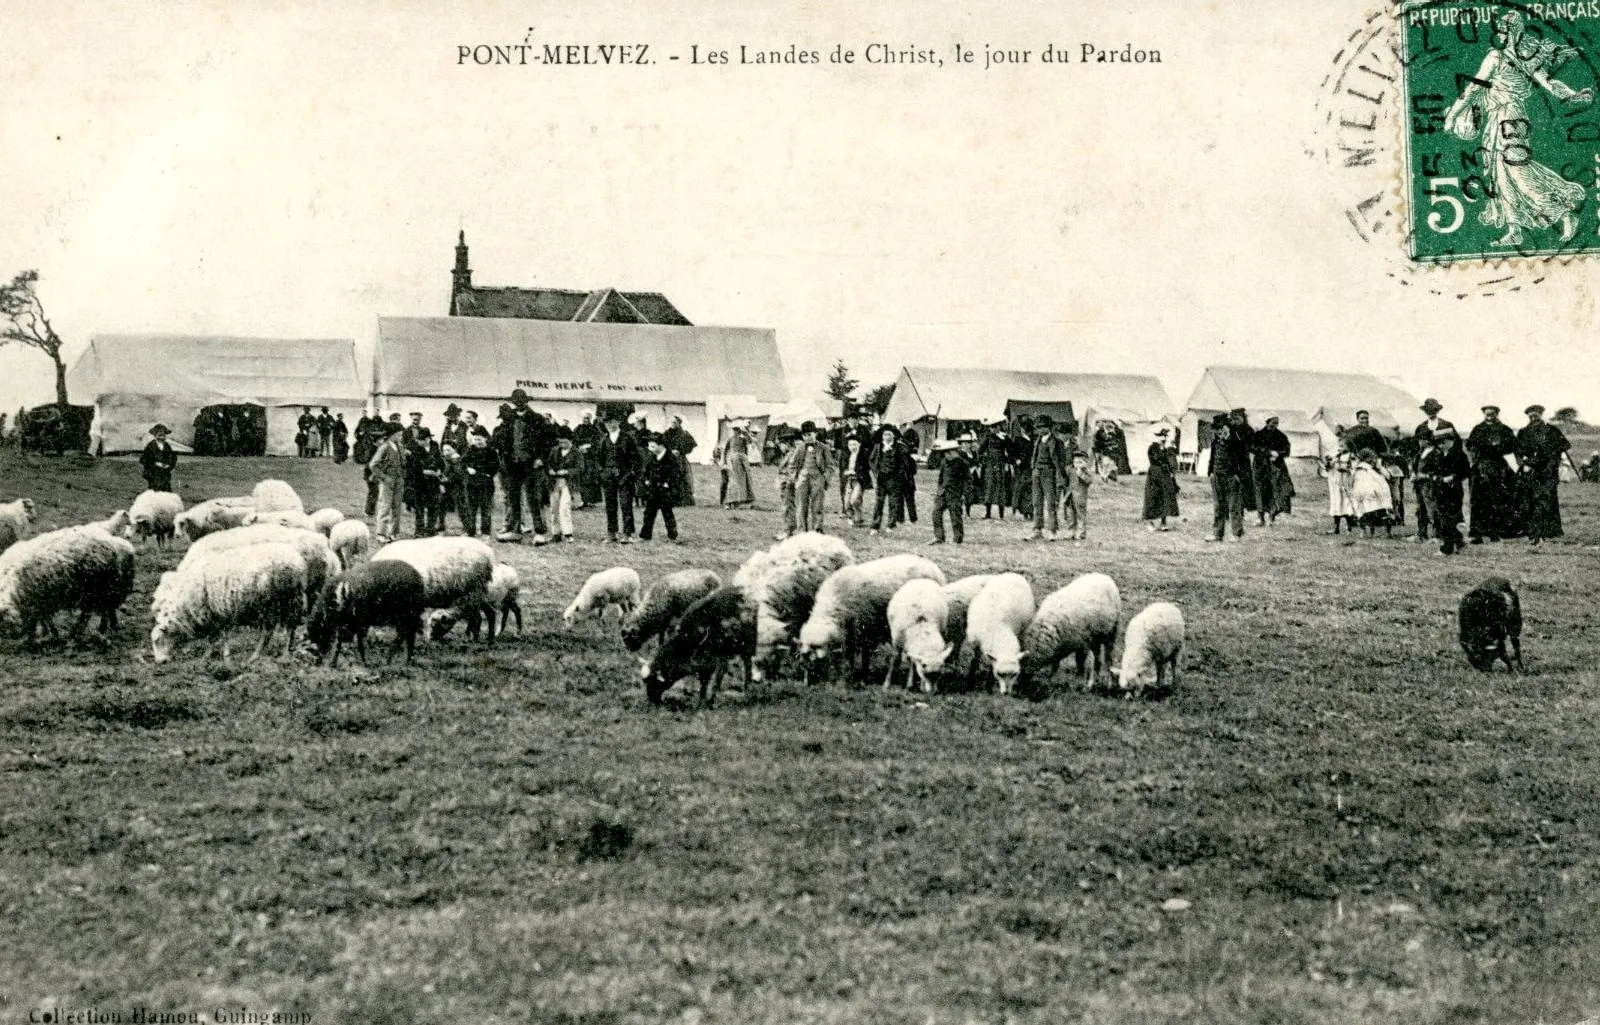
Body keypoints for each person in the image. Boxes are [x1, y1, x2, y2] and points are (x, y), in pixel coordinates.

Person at [1442, 10, 1591, 248]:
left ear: (1510, 32)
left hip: (1507, 118)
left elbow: (1472, 89)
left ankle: (1562, 213)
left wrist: (1452, 116)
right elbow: (1551, 85)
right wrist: (1573, 95)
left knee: (1518, 171)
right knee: (1500, 175)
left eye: (1505, 29)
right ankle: (1515, 229)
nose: (1502, 33)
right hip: (1505, 118)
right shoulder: (1526, 59)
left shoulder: (1497, 57)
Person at [495, 390, 553, 544]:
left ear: (527, 402)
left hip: (531, 464)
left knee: (533, 498)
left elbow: (547, 441)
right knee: (513, 498)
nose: (519, 404)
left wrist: (541, 458)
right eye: (516, 402)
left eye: (522, 401)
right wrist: (504, 456)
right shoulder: (508, 418)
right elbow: (502, 439)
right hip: (513, 464)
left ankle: (540, 532)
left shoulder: (537, 418)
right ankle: (515, 531)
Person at [1466, 404, 1521, 542]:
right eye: (1487, 414)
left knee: (1498, 499)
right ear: (1484, 414)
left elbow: (1513, 446)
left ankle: (1495, 533)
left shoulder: (1504, 430)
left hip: (1498, 466)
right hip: (1480, 467)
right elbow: (1470, 445)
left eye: (1492, 414)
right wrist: (1478, 453)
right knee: (1478, 501)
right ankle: (1477, 533)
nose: (1489, 416)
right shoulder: (1478, 429)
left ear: (1497, 414)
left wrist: (1498, 448)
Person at [1517, 404, 1570, 543]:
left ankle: (1551, 530)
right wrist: (1525, 463)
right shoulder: (1523, 432)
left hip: (1548, 471)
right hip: (1531, 471)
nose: (1533, 417)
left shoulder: (1551, 430)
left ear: (1541, 414)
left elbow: (1564, 445)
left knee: (1548, 498)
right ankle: (1532, 530)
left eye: (1536, 414)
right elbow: (1518, 450)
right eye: (1531, 415)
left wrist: (1553, 456)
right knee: (1530, 500)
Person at [1416, 426, 1469, 554]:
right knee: (1442, 517)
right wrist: (1434, 477)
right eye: (1439, 443)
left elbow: (1466, 471)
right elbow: (1430, 470)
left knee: (1448, 519)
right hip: (1439, 489)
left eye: (1443, 442)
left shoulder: (1459, 455)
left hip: (1454, 490)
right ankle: (1459, 541)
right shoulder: (1437, 455)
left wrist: (1453, 476)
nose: (1441, 445)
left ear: (1451, 440)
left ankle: (1447, 548)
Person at [1411, 399, 1454, 542]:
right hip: (1421, 478)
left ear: (1438, 410)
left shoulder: (1446, 425)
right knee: (1421, 506)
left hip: (1434, 476)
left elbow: (1452, 445)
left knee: (1434, 507)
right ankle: (1421, 533)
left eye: (1433, 409)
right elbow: (1416, 453)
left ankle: (1437, 534)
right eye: (1428, 410)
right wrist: (1414, 472)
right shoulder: (1421, 427)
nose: (1431, 412)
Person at [593, 412, 638, 543]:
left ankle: (627, 534)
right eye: (607, 423)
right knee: (610, 505)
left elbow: (635, 458)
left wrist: (631, 473)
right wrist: (602, 472)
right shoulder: (603, 439)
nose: (609, 425)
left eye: (612, 422)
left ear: (618, 422)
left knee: (625, 504)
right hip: (608, 476)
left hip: (624, 475)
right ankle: (612, 533)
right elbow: (598, 459)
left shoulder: (627, 438)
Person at [1206, 413, 1251, 542]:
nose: (1218, 432)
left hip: (1231, 477)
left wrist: (1239, 475)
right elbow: (1212, 458)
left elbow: (1243, 460)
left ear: (1226, 427)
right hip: (1217, 476)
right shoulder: (1216, 441)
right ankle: (1217, 534)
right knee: (1218, 506)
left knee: (1234, 506)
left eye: (1220, 429)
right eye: (1216, 430)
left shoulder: (1236, 441)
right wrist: (1211, 472)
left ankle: (1236, 534)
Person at [927, 434, 975, 545]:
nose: (946, 455)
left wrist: (964, 494)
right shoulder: (944, 462)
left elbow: (968, 480)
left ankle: (957, 539)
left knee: (955, 516)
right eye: (945, 453)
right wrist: (939, 490)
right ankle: (939, 537)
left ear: (954, 452)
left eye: (948, 453)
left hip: (955, 495)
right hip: (943, 493)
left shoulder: (962, 464)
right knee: (936, 513)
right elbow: (941, 477)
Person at [1027, 415, 1069, 541]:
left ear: (1048, 427)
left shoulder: (1057, 442)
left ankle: (1051, 530)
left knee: (1051, 503)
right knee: (1036, 503)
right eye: (1038, 427)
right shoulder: (1037, 440)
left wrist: (1060, 476)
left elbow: (1061, 461)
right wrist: (1034, 469)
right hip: (1037, 473)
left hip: (1049, 474)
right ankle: (1037, 530)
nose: (1039, 430)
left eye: (1041, 427)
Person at [788, 421, 834, 533]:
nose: (807, 437)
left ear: (815, 434)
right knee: (801, 506)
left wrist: (825, 477)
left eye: (810, 434)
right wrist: (795, 477)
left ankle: (817, 529)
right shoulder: (800, 448)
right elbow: (792, 464)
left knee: (817, 505)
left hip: (818, 478)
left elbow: (830, 465)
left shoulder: (823, 448)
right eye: (805, 435)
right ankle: (801, 530)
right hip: (802, 479)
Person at [367, 424, 407, 542]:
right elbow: (373, 465)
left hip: (399, 480)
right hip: (387, 481)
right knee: (385, 506)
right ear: (391, 435)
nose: (400, 436)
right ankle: (381, 533)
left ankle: (393, 532)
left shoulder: (400, 446)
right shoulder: (384, 447)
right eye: (398, 434)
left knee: (397, 507)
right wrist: (384, 477)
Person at [1252, 415, 1294, 524]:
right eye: (1272, 422)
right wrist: (1267, 452)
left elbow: (1287, 451)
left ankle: (1272, 516)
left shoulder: (1281, 436)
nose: (1274, 425)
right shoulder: (1258, 435)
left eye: (1276, 423)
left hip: (1276, 467)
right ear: (1267, 422)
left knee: (1276, 491)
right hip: (1260, 466)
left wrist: (1278, 454)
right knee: (1260, 491)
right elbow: (1252, 447)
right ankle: (1260, 518)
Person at [638, 436, 680, 542]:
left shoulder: (670, 457)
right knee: (648, 513)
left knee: (667, 513)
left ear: (661, 445)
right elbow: (646, 470)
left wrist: (668, 483)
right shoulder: (652, 457)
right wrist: (646, 480)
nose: (650, 448)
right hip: (653, 489)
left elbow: (676, 473)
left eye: (653, 446)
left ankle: (672, 536)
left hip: (665, 491)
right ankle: (645, 536)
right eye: (649, 446)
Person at [869, 425, 905, 535]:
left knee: (893, 502)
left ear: (894, 436)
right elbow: (872, 461)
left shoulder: (900, 448)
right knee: (879, 502)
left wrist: (898, 477)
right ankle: (875, 526)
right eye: (885, 434)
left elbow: (904, 464)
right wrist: (877, 474)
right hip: (881, 479)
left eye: (889, 434)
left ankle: (891, 525)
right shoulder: (878, 447)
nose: (887, 437)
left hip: (894, 480)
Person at [461, 428, 497, 537]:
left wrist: (487, 474)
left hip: (486, 484)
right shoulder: (470, 449)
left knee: (485, 508)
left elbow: (495, 466)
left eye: (479, 439)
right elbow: (462, 462)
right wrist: (468, 469)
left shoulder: (491, 451)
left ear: (485, 439)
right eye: (475, 439)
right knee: (471, 508)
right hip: (471, 484)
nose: (477, 442)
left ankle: (485, 532)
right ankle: (470, 531)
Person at [548, 433, 584, 542]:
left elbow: (580, 468)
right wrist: (550, 470)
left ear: (571, 441)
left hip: (568, 483)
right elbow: (549, 463)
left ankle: (568, 533)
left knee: (564, 507)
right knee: (554, 508)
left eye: (565, 442)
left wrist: (567, 471)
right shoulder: (555, 450)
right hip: (554, 482)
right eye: (560, 442)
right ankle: (555, 533)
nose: (562, 445)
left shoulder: (576, 453)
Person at [1350, 448, 1394, 538]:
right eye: (1372, 458)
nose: (1374, 460)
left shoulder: (1373, 468)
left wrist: (1379, 467)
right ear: (1367, 458)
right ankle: (1380, 532)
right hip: (1370, 493)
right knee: (1374, 511)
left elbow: (1386, 476)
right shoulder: (1363, 469)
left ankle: (1368, 532)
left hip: (1371, 493)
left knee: (1367, 512)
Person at [1143, 427, 1180, 530]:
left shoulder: (1166, 449)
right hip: (1155, 474)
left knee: (1165, 497)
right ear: (1157, 437)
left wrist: (1171, 472)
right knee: (1153, 497)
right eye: (1161, 436)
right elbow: (1155, 459)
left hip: (1165, 474)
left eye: (1164, 437)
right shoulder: (1153, 448)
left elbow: (1171, 461)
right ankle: (1150, 522)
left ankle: (1164, 522)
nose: (1163, 438)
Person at [1322, 438, 1358, 534]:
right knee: (1336, 502)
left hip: (1346, 482)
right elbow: (1329, 468)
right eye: (1339, 446)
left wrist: (1346, 469)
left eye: (1342, 446)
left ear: (1349, 447)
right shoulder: (1337, 456)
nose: (1340, 448)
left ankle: (1349, 528)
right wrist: (1328, 464)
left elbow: (1355, 469)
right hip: (1335, 483)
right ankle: (1336, 528)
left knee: (1347, 503)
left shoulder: (1352, 457)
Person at [661, 415, 698, 507]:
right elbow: (661, 445)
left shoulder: (684, 433)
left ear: (679, 423)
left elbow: (691, 445)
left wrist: (681, 451)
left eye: (674, 422)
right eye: (671, 422)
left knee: (683, 478)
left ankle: (683, 501)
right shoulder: (666, 433)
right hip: (669, 459)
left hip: (680, 460)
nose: (672, 424)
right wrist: (670, 451)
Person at [978, 422, 1011, 519]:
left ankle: (1001, 515)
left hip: (1000, 465)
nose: (991, 430)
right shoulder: (988, 437)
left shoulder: (1005, 437)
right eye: (990, 428)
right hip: (989, 465)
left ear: (998, 427)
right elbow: (981, 450)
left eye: (993, 427)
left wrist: (1008, 462)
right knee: (988, 488)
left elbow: (1010, 451)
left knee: (1000, 489)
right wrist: (982, 460)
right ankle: (988, 513)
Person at [1061, 448, 1093, 540]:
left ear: (1085, 462)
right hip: (1069, 495)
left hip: (1080, 495)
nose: (1077, 464)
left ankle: (1081, 532)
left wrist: (1081, 475)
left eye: (1080, 462)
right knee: (1070, 514)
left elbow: (1089, 480)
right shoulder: (1070, 469)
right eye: (1075, 461)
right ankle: (1071, 532)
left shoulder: (1085, 471)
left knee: (1080, 514)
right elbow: (1064, 476)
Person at [140, 423, 177, 492]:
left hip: (165, 473)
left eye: (163, 436)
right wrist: (156, 464)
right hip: (153, 473)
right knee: (154, 490)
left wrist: (168, 465)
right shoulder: (150, 446)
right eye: (159, 435)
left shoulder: (167, 446)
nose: (162, 438)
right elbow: (144, 459)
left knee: (166, 490)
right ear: (155, 435)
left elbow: (173, 457)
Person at [840, 435, 868, 525]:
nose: (853, 447)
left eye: (855, 444)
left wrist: (855, 472)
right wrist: (845, 472)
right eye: (850, 445)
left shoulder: (864, 454)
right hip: (848, 480)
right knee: (847, 502)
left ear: (859, 444)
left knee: (855, 500)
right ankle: (851, 517)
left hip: (858, 480)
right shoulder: (846, 454)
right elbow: (842, 467)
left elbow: (865, 468)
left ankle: (858, 518)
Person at [438, 442, 465, 534]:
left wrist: (448, 479)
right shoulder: (444, 460)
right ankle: (440, 525)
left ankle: (467, 526)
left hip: (457, 486)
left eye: (448, 450)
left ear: (454, 450)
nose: (445, 452)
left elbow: (459, 474)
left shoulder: (459, 460)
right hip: (445, 486)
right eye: (444, 450)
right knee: (441, 504)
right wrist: (442, 481)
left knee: (461, 506)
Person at [1010, 417, 1034, 518]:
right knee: (1021, 489)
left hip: (1030, 467)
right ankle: (1024, 512)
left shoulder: (1034, 439)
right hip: (1021, 468)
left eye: (1024, 427)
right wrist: (1016, 460)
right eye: (1022, 427)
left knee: (1030, 489)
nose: (1023, 429)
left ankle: (1031, 511)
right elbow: (1012, 453)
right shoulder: (1017, 440)